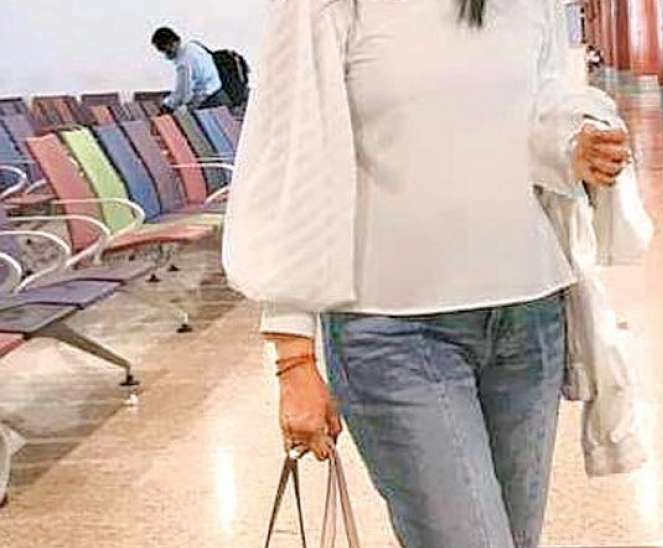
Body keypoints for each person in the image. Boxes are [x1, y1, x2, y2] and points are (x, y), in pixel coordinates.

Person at [224, 0, 632, 546]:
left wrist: (573, 143)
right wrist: (292, 355)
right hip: (394, 332)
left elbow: (542, 102)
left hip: (529, 319)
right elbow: (293, 154)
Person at [150, 27, 230, 113]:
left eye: (166, 51)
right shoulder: (193, 46)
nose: (166, 55)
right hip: (220, 94)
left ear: (173, 43)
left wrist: (167, 106)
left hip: (210, 102)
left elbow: (182, 93)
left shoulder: (183, 62)